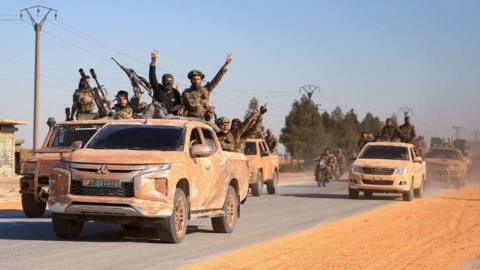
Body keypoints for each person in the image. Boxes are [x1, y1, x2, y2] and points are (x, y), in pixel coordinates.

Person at [182, 53, 232, 121]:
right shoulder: (186, 93)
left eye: (198, 79)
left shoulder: (206, 89)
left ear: (201, 80)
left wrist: (226, 64)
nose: (196, 81)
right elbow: (182, 105)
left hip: (203, 120)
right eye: (194, 79)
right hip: (189, 120)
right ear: (191, 80)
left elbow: (216, 80)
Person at [149, 49, 183, 115]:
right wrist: (153, 63)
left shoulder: (176, 93)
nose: (169, 82)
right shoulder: (158, 89)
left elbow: (179, 105)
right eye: (167, 80)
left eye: (171, 80)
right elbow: (152, 78)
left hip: (172, 120)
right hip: (158, 117)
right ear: (163, 81)